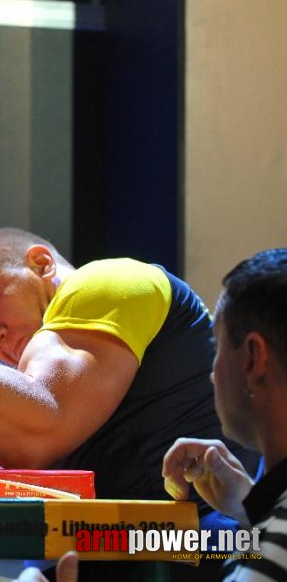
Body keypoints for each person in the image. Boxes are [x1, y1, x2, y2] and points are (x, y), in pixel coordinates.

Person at [0, 227, 260, 580]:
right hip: (135, 552)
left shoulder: (107, 279)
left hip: (205, 548)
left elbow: (43, 424)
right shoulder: (49, 379)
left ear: (40, 264)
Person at [163, 248, 287, 580]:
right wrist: (249, 504)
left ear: (252, 358)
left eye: (217, 348)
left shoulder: (268, 562)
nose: (213, 373)